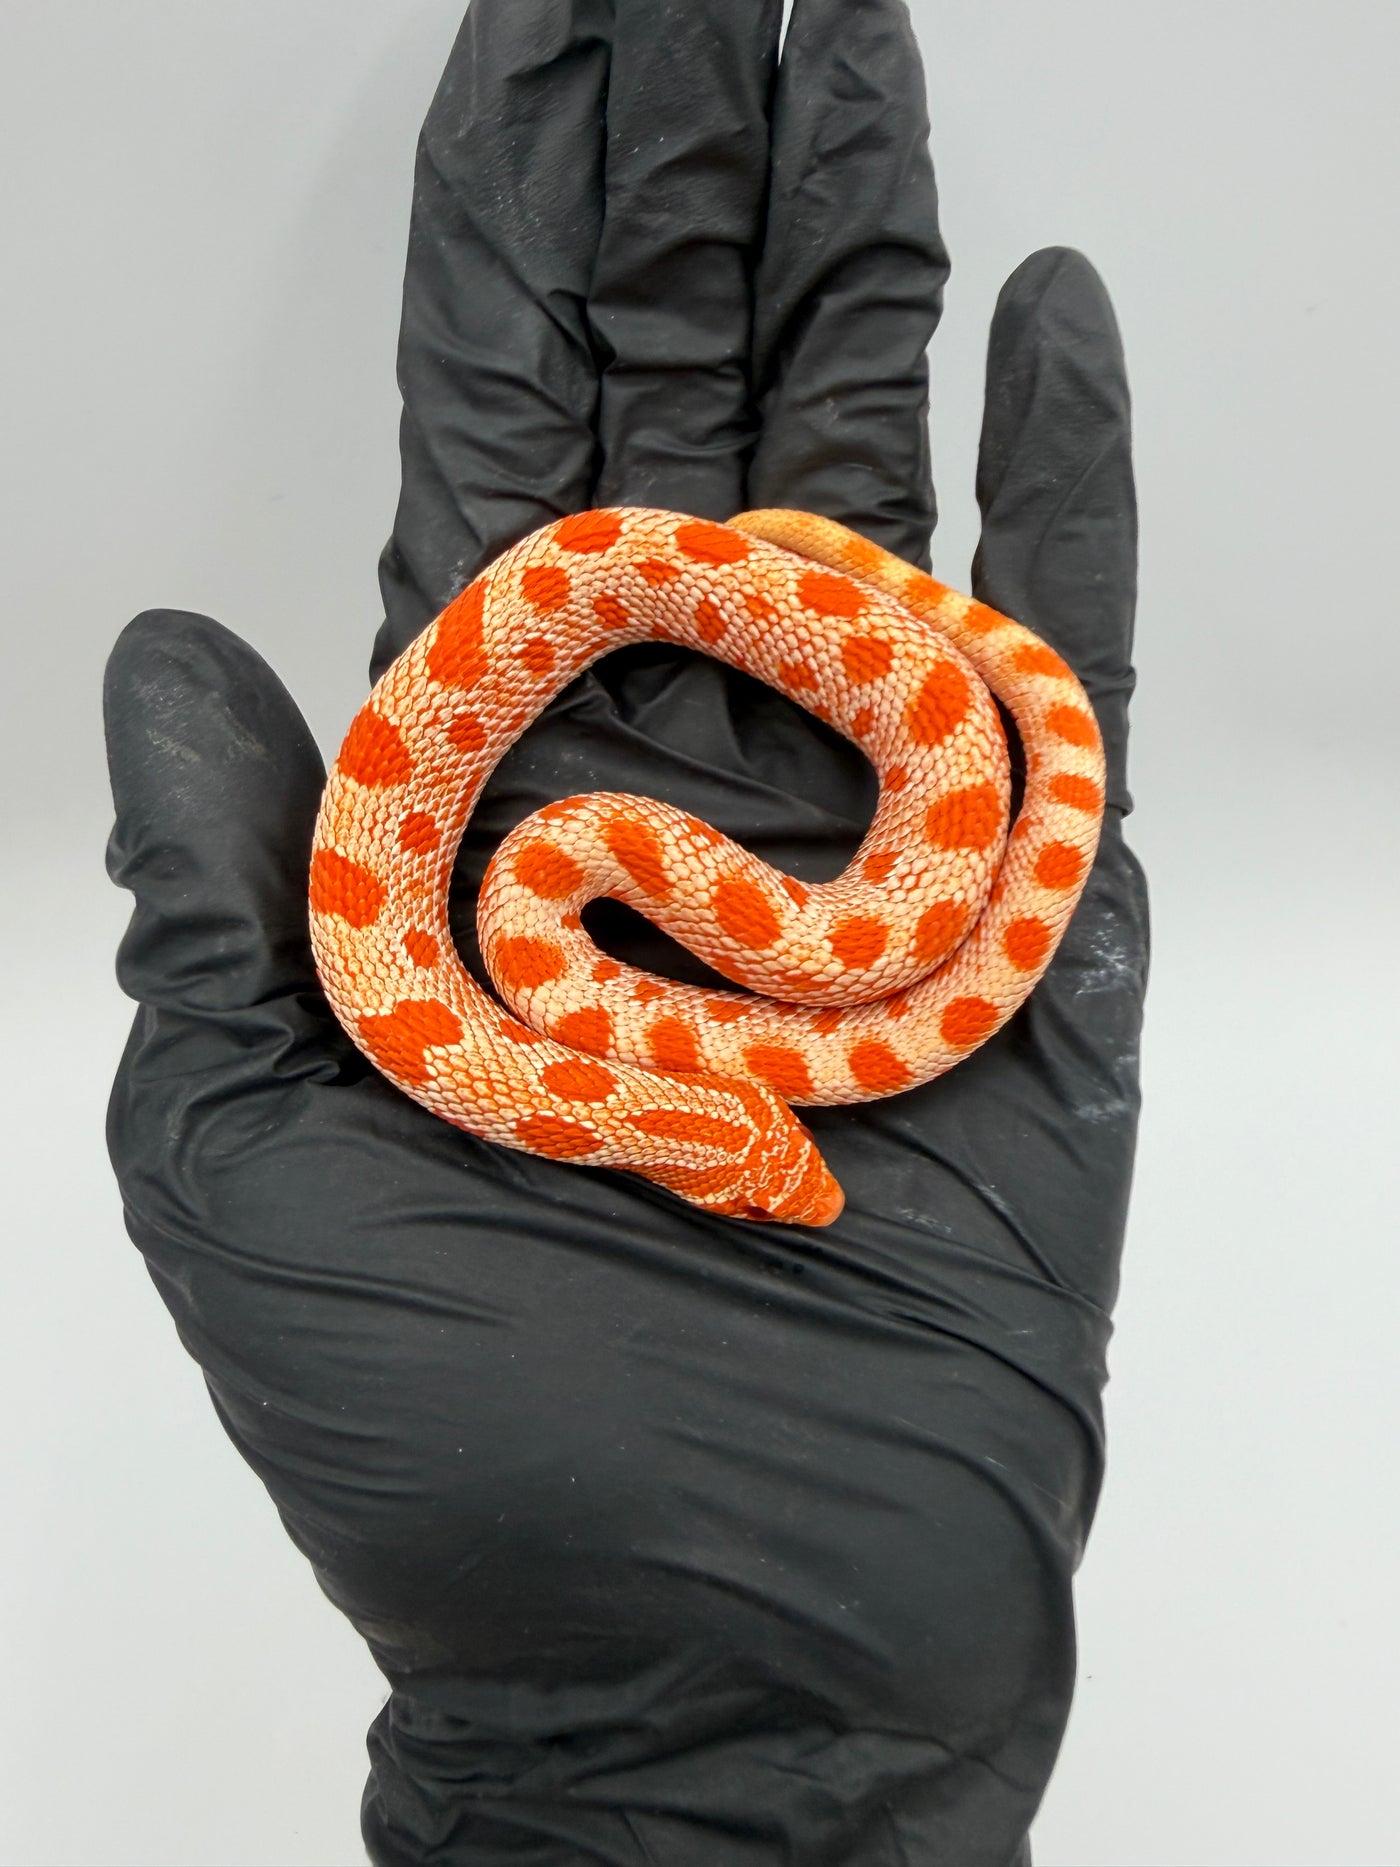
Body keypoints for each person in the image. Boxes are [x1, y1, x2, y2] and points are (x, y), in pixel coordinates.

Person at [102, 1, 1148, 1860]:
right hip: (671, 801)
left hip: (619, 791)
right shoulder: (537, 959)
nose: (789, 1169)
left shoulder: (527, 937)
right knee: (952, 802)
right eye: (772, 1163)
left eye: (765, 1170)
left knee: (929, 792)